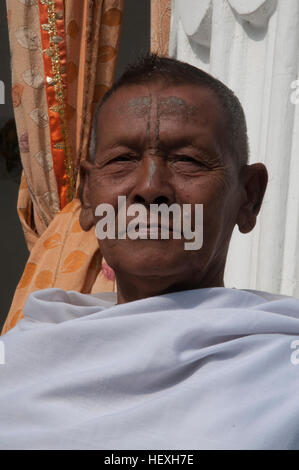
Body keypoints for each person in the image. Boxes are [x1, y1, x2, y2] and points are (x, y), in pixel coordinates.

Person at [1, 54, 299, 450]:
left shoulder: (283, 370)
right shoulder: (21, 361)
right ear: (88, 196)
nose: (150, 187)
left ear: (249, 197)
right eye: (122, 159)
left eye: (188, 160)